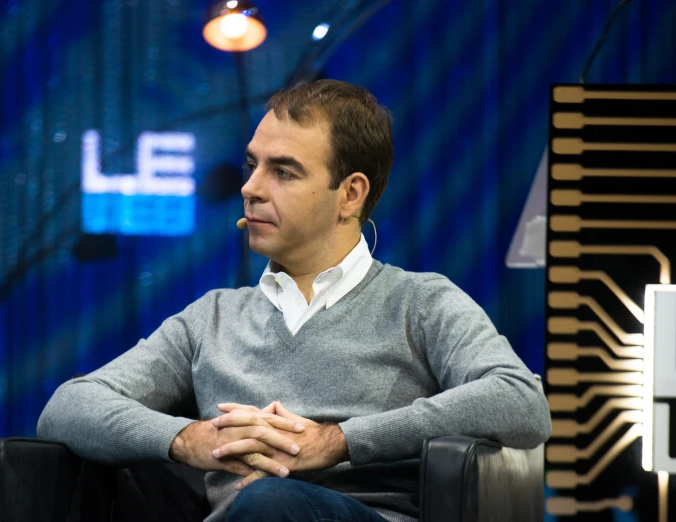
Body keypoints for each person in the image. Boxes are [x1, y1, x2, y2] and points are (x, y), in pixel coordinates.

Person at [37, 80, 551, 522]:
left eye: (283, 172)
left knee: (272, 502)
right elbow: (69, 406)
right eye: (253, 165)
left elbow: (520, 400)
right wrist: (191, 439)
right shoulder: (212, 318)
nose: (250, 188)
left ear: (349, 194)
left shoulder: (421, 303)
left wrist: (337, 442)